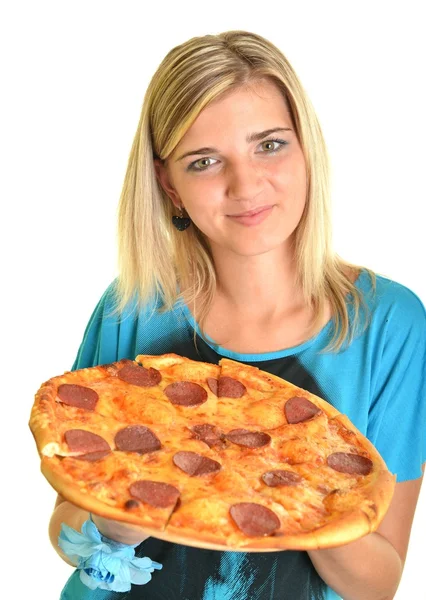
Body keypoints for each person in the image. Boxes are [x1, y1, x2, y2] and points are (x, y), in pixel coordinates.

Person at [49, 30, 425, 600]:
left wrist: (300, 479)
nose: (245, 185)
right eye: (204, 161)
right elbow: (63, 531)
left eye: (269, 145)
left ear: (306, 149)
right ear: (168, 185)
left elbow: (377, 583)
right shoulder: (132, 306)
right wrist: (109, 523)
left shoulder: (390, 325)